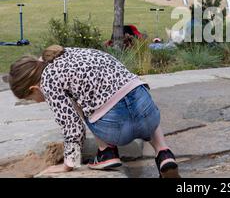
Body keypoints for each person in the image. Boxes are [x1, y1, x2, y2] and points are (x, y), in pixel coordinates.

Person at [5, 45, 180, 178]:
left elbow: (72, 126)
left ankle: (106, 152)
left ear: (34, 88)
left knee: (78, 102)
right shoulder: (67, 53)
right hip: (148, 114)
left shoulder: (48, 82)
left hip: (116, 130)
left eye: (31, 99)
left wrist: (68, 165)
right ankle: (164, 153)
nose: (36, 102)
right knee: (132, 90)